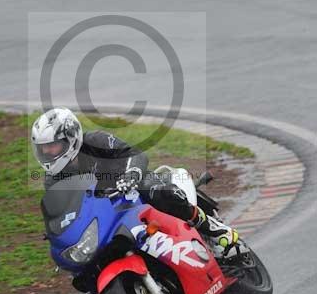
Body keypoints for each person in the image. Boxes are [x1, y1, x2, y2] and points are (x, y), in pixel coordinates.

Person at [31, 107, 239, 259]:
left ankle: (212, 229)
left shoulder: (96, 141)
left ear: (70, 138)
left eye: (53, 146)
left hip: (132, 187)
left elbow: (135, 153)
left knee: (156, 190)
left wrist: (131, 175)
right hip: (107, 211)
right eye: (43, 149)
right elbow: (62, 208)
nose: (48, 153)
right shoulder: (53, 179)